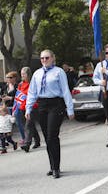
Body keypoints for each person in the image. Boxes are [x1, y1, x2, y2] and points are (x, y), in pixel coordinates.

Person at [25, 49, 74, 178]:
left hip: (56, 104)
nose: (44, 60)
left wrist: (70, 109)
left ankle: (56, 167)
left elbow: (65, 91)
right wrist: (28, 108)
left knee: (52, 135)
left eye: (47, 58)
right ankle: (52, 166)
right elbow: (32, 92)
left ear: (53, 58)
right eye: (42, 58)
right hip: (42, 105)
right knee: (47, 137)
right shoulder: (37, 73)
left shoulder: (59, 72)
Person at [12, 67, 41, 153]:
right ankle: (37, 141)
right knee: (30, 124)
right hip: (23, 107)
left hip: (32, 107)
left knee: (28, 125)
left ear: (28, 74)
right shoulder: (20, 84)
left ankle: (27, 144)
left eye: (24, 74)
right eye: (21, 74)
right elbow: (19, 96)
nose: (22, 76)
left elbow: (32, 95)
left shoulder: (33, 83)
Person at [2, 71, 24, 141]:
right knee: (6, 125)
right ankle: (8, 140)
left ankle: (24, 138)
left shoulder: (18, 86)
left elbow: (21, 97)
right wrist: (3, 98)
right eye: (7, 77)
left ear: (15, 78)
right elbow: (2, 94)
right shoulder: (5, 86)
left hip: (16, 107)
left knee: (18, 123)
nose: (8, 79)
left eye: (10, 77)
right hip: (6, 107)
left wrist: (10, 98)